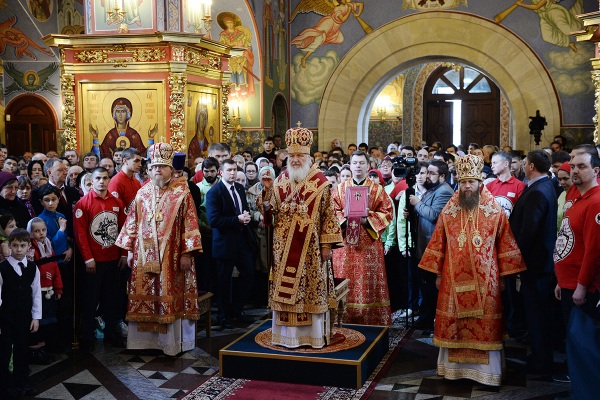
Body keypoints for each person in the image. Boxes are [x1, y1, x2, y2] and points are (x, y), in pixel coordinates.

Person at [419, 154, 525, 386]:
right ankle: (453, 370)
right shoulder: (449, 211)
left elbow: (505, 243)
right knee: (454, 326)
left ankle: (487, 373)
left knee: (484, 324)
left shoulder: (494, 211)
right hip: (450, 279)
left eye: (472, 182)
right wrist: (437, 274)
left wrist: (505, 277)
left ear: (480, 183)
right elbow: (439, 242)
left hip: (486, 282)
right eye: (464, 182)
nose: (467, 186)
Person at [259, 126, 342, 348]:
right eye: (292, 155)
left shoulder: (320, 182)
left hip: (312, 251)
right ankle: (286, 337)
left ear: (308, 156)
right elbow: (270, 212)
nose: (295, 159)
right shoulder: (279, 181)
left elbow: (328, 216)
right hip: (282, 249)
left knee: (309, 292)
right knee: (286, 292)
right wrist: (266, 195)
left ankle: (311, 337)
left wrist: (326, 245)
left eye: (300, 155)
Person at [115, 143, 202, 356]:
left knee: (169, 295)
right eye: (154, 167)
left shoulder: (182, 193)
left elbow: (190, 225)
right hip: (143, 257)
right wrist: (128, 252)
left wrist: (186, 253)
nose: (157, 170)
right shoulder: (142, 192)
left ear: (171, 169)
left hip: (172, 258)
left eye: (162, 166)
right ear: (148, 169)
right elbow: (132, 222)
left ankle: (169, 343)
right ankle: (144, 343)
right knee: (143, 294)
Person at [554, 151, 600, 398]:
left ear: (596, 171)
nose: (574, 171)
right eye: (572, 166)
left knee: (585, 347)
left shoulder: (596, 202)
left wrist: (581, 285)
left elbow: (594, 250)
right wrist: (563, 281)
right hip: (570, 283)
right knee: (574, 345)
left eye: (581, 166)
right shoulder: (578, 198)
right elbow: (568, 241)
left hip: (587, 288)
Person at [509, 149, 558, 377]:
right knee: (538, 314)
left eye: (525, 163)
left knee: (537, 315)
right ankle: (539, 355)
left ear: (529, 166)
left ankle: (541, 362)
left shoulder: (538, 191)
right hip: (539, 264)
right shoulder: (545, 186)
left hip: (535, 265)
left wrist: (515, 260)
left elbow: (529, 231)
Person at [332, 150, 393, 326]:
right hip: (345, 247)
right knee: (345, 281)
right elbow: (332, 211)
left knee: (368, 284)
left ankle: (371, 324)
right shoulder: (340, 189)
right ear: (350, 166)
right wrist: (345, 219)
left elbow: (387, 213)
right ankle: (342, 320)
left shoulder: (377, 190)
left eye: (361, 163)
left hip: (368, 247)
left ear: (368, 166)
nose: (358, 166)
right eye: (355, 163)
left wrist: (367, 219)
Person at [74, 168, 127, 351]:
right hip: (94, 262)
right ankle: (87, 337)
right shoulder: (83, 204)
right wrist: (88, 258)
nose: (102, 182)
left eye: (105, 178)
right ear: (92, 180)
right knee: (90, 300)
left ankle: (111, 334)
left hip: (113, 259)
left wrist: (123, 254)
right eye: (98, 178)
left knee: (111, 299)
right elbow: (80, 234)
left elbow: (123, 230)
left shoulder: (117, 203)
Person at [206, 159, 257, 329]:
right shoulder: (214, 192)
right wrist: (237, 219)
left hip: (241, 240)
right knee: (223, 281)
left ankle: (237, 309)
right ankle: (224, 316)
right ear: (221, 172)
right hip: (225, 243)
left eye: (235, 170)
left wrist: (246, 216)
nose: (233, 173)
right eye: (229, 170)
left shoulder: (240, 189)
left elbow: (243, 210)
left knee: (249, 274)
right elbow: (213, 220)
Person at [410, 160, 454, 331]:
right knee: (425, 284)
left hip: (433, 245)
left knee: (430, 286)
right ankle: (425, 317)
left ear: (442, 176)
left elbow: (434, 215)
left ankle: (429, 319)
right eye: (427, 172)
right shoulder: (433, 189)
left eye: (432, 173)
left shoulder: (444, 191)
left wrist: (417, 204)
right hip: (424, 244)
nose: (427, 176)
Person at [0, 228, 41, 399]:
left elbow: (36, 293)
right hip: (5, 317)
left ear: (28, 247)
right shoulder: (2, 268)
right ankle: (5, 385)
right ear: (9, 246)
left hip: (24, 316)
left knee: (22, 349)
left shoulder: (33, 268)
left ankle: (22, 382)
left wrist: (36, 317)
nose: (18, 249)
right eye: (15, 245)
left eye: (22, 246)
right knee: (4, 351)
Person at [27, 218, 62, 358]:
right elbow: (32, 269)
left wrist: (58, 287)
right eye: (37, 231)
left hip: (49, 289)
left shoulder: (48, 244)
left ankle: (46, 348)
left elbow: (55, 267)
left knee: (48, 321)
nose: (41, 233)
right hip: (37, 291)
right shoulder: (31, 248)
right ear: (31, 232)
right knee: (38, 323)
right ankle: (36, 350)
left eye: (43, 230)